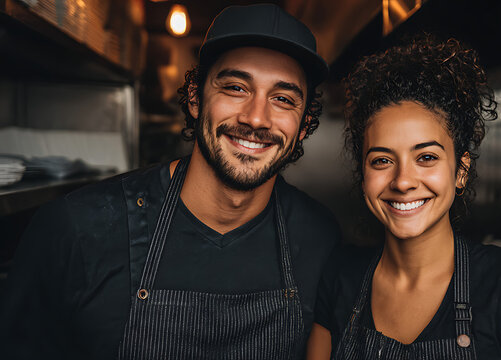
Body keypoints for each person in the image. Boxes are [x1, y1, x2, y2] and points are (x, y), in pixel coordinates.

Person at [0, 4, 341, 359]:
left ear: (302, 126)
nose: (256, 117)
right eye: (236, 87)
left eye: (283, 99)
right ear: (195, 97)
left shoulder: (319, 239)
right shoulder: (75, 231)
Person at [306, 35, 501, 359]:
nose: (402, 181)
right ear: (363, 177)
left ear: (460, 170)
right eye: (382, 161)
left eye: (426, 157)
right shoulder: (339, 277)